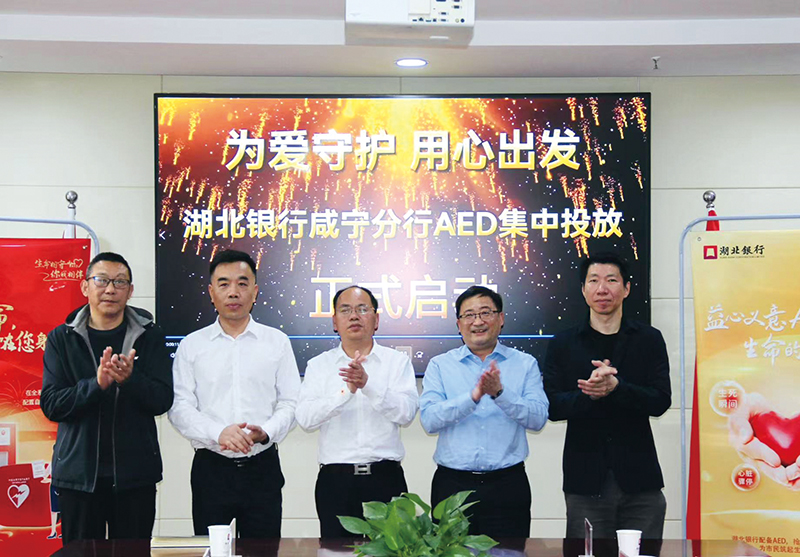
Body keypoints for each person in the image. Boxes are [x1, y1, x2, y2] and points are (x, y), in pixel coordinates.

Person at [41, 252, 173, 543]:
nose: (110, 289)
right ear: (85, 286)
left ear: (130, 290)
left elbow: (163, 400)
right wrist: (96, 385)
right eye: (101, 280)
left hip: (135, 477)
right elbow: (51, 404)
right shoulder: (61, 338)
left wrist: (130, 380)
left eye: (120, 282)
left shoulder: (150, 336)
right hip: (78, 478)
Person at [169, 249, 300, 538]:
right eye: (224, 283)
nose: (233, 292)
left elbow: (291, 402)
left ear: (255, 291)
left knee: (265, 551)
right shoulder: (192, 345)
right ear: (211, 292)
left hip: (262, 467)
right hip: (211, 468)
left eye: (242, 283)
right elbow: (179, 407)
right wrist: (219, 433)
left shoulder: (277, 342)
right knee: (213, 550)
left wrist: (265, 432)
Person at [543, 252, 670, 540]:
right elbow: (552, 406)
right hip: (585, 482)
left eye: (611, 280)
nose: (602, 289)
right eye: (594, 281)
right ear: (583, 289)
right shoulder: (563, 343)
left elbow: (661, 400)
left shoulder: (649, 339)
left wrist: (617, 388)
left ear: (626, 289)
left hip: (641, 481)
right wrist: (590, 394)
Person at [419, 285, 549, 539]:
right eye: (469, 315)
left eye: (485, 313)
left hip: (507, 485)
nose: (477, 321)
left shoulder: (525, 364)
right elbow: (430, 420)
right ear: (459, 324)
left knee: (510, 553)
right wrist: (473, 397)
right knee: (451, 554)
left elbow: (538, 418)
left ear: (500, 319)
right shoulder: (440, 365)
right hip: (452, 487)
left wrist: (500, 393)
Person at [296, 286, 419, 538]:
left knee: (392, 552)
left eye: (362, 309)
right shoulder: (318, 366)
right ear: (334, 321)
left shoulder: (397, 362)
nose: (354, 316)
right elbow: (306, 419)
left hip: (385, 478)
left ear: (376, 319)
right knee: (336, 553)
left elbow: (406, 413)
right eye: (345, 310)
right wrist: (346, 392)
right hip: (336, 481)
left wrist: (368, 385)